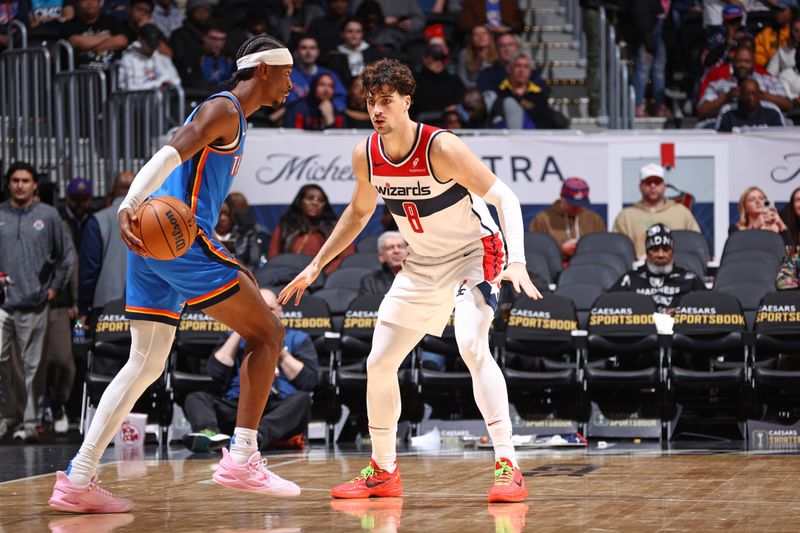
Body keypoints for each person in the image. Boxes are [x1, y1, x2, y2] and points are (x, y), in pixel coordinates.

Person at [48, 33, 300, 514]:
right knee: (268, 333)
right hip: (180, 240)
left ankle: (78, 477)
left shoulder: (233, 116)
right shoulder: (224, 108)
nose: (293, 83)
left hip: (155, 247)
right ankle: (242, 458)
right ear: (264, 70)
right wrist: (130, 201)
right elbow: (171, 150)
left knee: (144, 364)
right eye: (287, 73)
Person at [279, 58, 540, 503]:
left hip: (475, 254)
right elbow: (359, 212)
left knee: (471, 345)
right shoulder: (366, 153)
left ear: (406, 102)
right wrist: (316, 264)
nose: (377, 109)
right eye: (370, 101)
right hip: (421, 264)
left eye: (386, 101)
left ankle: (508, 466)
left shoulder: (441, 147)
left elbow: (504, 196)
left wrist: (517, 260)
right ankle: (383, 470)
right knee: (379, 363)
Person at [182, 289, 318, 453]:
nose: (263, 314)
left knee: (302, 401)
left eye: (270, 309)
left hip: (277, 406)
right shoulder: (233, 336)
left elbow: (308, 381)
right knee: (196, 398)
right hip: (238, 405)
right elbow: (216, 373)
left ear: (280, 311)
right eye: (257, 308)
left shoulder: (298, 338)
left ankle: (254, 438)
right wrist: (241, 329)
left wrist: (275, 343)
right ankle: (210, 436)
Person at [0, 162, 74, 442]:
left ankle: (31, 422)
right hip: (3, 303)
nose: (20, 185)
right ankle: (10, 414)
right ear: (9, 184)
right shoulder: (1, 214)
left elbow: (66, 255)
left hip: (35, 302)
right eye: (15, 180)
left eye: (25, 180)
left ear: (34, 185)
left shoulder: (48, 215)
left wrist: (55, 288)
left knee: (33, 367)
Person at [79, 172, 134, 328]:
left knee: (105, 350)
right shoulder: (152, 218)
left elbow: (89, 270)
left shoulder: (98, 220)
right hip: (145, 304)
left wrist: (83, 310)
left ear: (113, 190)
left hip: (105, 306)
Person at [612, 163, 701, 260]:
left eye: (657, 182)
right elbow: (617, 252)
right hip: (639, 271)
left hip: (678, 269)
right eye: (648, 182)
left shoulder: (682, 212)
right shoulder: (626, 216)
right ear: (640, 186)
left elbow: (697, 245)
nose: (653, 186)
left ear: (664, 185)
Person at [610, 224, 705, 313]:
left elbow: (709, 308)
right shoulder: (630, 280)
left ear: (673, 252)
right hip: (642, 329)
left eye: (666, 249)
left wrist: (681, 313)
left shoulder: (690, 279)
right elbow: (606, 308)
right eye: (655, 249)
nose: (661, 254)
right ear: (647, 252)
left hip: (680, 329)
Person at [268, 184, 355, 273]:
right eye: (310, 198)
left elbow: (347, 256)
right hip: (287, 274)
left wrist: (326, 272)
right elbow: (273, 256)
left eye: (320, 200)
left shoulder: (334, 228)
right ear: (300, 201)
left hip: (322, 278)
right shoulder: (285, 226)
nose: (315, 203)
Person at [698, 44, 792, 119]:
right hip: (729, 131)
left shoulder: (769, 81)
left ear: (754, 62)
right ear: (733, 62)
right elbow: (701, 112)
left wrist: (761, 95)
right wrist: (726, 97)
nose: (742, 65)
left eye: (747, 62)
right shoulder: (718, 85)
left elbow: (788, 106)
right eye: (739, 61)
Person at [529, 177, 606, 264]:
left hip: (590, 269)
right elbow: (534, 253)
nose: (577, 208)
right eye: (573, 204)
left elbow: (603, 249)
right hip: (553, 273)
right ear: (562, 197)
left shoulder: (594, 219)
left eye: (580, 204)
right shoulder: (542, 220)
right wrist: (560, 251)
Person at [489, 51, 567, 129]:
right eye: (517, 66)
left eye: (526, 66)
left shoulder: (539, 94)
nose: (521, 70)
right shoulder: (499, 91)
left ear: (530, 71)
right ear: (509, 69)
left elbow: (544, 121)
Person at [60, 0, 129, 72]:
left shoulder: (111, 21)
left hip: (111, 75)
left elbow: (122, 41)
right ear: (77, 3)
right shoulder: (69, 25)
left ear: (100, 3)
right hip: (81, 76)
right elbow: (76, 42)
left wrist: (86, 48)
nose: (90, 3)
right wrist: (106, 37)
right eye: (85, 0)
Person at [119, 24, 182, 90]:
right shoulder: (128, 60)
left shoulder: (162, 58)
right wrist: (154, 86)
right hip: (140, 98)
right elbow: (125, 87)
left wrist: (167, 84)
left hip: (162, 98)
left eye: (155, 44)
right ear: (140, 39)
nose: (152, 48)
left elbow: (176, 80)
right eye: (149, 44)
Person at [412, 43, 465, 121]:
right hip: (423, 116)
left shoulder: (453, 80)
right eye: (434, 58)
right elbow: (418, 103)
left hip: (450, 116)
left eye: (441, 59)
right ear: (425, 59)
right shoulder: (416, 80)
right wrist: (443, 108)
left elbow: (456, 100)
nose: (438, 62)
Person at [323, 18, 381, 87]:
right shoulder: (334, 57)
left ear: (363, 34)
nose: (354, 35)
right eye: (350, 31)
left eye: (358, 31)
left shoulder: (374, 54)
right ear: (342, 34)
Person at [213, 196, 269, 269]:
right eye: (219, 214)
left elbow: (254, 262)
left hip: (241, 274)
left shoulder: (247, 233)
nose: (222, 218)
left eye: (226, 214)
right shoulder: (205, 234)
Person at [715, 77, 787, 130]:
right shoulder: (727, 112)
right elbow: (720, 140)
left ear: (760, 94)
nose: (750, 98)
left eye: (754, 94)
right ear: (740, 95)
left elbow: (781, 138)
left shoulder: (773, 112)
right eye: (746, 94)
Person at [358, 231, 408, 297]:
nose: (396, 251)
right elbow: (365, 305)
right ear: (381, 256)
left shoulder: (420, 276)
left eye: (400, 246)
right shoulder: (370, 281)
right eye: (390, 248)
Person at [754, 0, 796, 68]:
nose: (778, 13)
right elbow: (758, 57)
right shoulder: (766, 33)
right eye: (777, 9)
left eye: (782, 10)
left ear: (792, 12)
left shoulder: (796, 31)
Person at [458, 25, 497, 89]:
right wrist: (480, 86)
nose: (481, 37)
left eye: (484, 33)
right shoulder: (464, 53)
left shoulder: (498, 53)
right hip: (472, 91)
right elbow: (462, 79)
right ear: (471, 39)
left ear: (490, 37)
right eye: (476, 34)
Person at [59, 177, 94, 250]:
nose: (80, 203)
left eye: (85, 199)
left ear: (90, 198)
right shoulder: (58, 218)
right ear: (67, 197)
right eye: (76, 198)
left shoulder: (95, 218)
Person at [457, 0, 523, 35]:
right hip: (483, 35)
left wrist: (506, 29)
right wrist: (484, 27)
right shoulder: (473, 1)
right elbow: (464, 24)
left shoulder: (510, 1)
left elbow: (519, 24)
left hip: (505, 34)